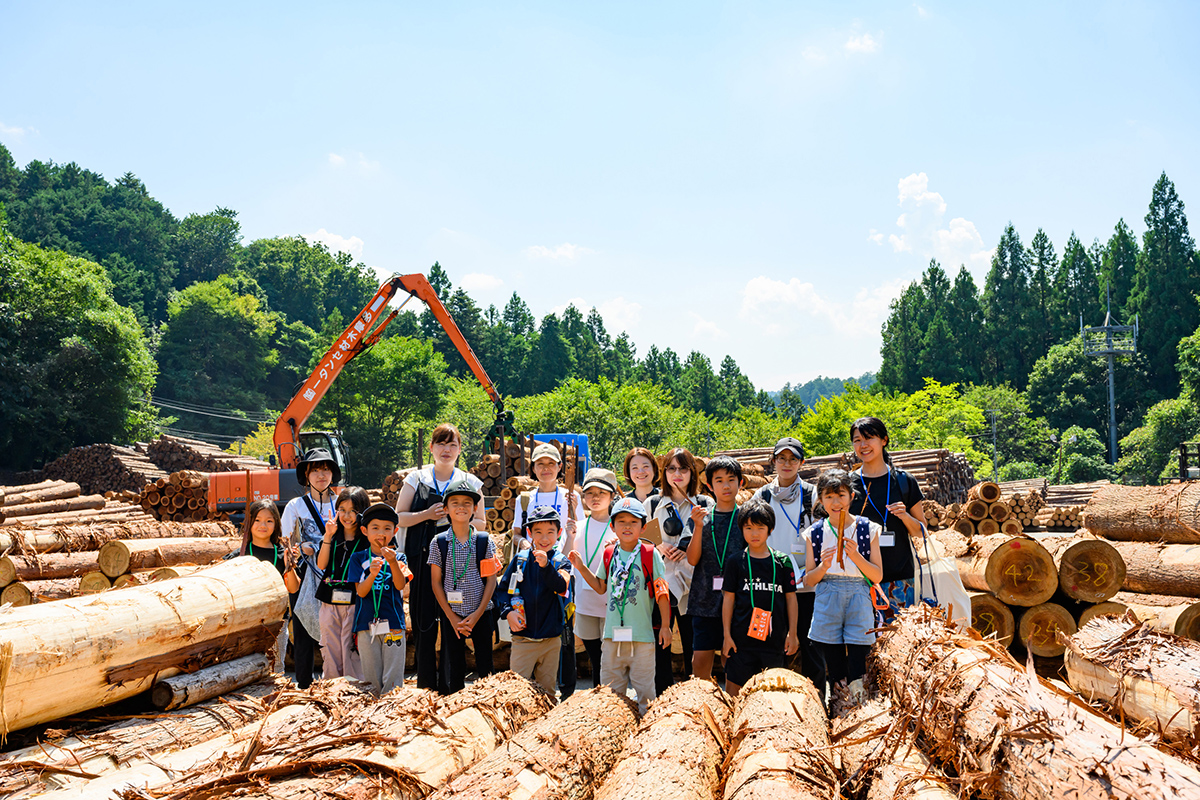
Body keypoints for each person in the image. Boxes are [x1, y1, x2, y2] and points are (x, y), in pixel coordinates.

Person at [395, 423, 487, 691]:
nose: (446, 450)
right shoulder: (417, 478)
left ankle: (451, 685)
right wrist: (426, 514)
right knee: (424, 623)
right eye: (441, 444)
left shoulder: (471, 482)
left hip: (460, 562)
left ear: (460, 450)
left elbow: (482, 522)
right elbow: (399, 517)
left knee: (452, 620)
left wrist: (459, 517)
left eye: (452, 445)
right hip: (423, 559)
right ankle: (425, 687)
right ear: (432, 448)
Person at [569, 496, 671, 714]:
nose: (627, 526)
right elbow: (600, 587)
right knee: (611, 693)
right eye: (621, 521)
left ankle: (646, 733)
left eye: (633, 522)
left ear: (643, 527)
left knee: (645, 692)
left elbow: (662, 593)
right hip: (612, 636)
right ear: (613, 526)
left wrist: (665, 626)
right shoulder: (609, 553)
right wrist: (581, 566)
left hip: (642, 637)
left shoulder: (650, 554)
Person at [803, 469, 884, 706]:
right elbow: (809, 579)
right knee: (834, 659)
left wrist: (857, 557)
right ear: (820, 500)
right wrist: (824, 566)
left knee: (859, 656)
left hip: (859, 593)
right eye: (828, 497)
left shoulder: (868, 529)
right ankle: (837, 708)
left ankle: (860, 708)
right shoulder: (815, 533)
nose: (835, 502)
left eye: (840, 495)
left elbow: (877, 575)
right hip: (827, 594)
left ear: (851, 496)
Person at [752, 438, 823, 693]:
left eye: (793, 459)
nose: (787, 464)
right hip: (770, 584)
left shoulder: (812, 494)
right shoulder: (762, 495)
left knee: (811, 646)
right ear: (773, 462)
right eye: (781, 458)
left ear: (802, 463)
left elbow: (824, 533)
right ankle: (770, 704)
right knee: (770, 645)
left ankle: (816, 704)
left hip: (807, 584)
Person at [510, 441, 580, 698]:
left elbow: (577, 531)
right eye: (541, 464)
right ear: (533, 468)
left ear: (560, 467)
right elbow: (516, 533)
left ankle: (567, 690)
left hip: (562, 567)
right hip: (533, 568)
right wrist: (526, 543)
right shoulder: (525, 498)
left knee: (564, 631)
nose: (546, 468)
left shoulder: (571, 496)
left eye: (552, 463)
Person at [848, 417, 928, 621]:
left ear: (884, 440)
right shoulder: (848, 485)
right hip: (858, 580)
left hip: (900, 581)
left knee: (898, 643)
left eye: (869, 438)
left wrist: (905, 516)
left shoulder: (903, 481)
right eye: (857, 440)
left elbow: (921, 531)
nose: (863, 445)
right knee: (862, 646)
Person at [646, 447, 709, 694]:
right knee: (660, 641)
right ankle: (662, 694)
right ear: (664, 473)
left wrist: (687, 547)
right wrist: (660, 545)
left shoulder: (705, 502)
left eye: (683, 468)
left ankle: (691, 696)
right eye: (671, 468)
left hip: (694, 584)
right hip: (660, 582)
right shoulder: (653, 502)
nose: (677, 474)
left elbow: (709, 539)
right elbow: (641, 534)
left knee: (693, 642)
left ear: (692, 473)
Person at [428, 477, 500, 693]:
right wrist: (451, 616)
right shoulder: (439, 542)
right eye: (455, 503)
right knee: (454, 666)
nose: (461, 507)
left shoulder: (484, 541)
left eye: (467, 503)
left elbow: (491, 580)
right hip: (453, 616)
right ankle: (456, 707)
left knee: (486, 665)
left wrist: (477, 614)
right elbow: (435, 582)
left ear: (475, 508)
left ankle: (487, 705)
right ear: (446, 509)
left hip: (481, 614)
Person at [721, 499, 798, 696]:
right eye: (748, 528)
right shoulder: (735, 562)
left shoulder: (783, 561)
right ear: (741, 529)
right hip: (741, 643)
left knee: (773, 694)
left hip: (774, 642)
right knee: (734, 694)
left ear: (770, 529)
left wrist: (793, 633)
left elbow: (791, 599)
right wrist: (727, 636)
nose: (754, 534)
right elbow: (728, 600)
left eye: (760, 527)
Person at [279, 447, 342, 689]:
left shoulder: (341, 503)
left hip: (334, 571)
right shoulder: (296, 505)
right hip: (305, 572)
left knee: (337, 626)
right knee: (303, 628)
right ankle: (304, 684)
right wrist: (298, 548)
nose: (321, 475)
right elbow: (286, 540)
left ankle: (337, 681)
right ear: (306, 474)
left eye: (325, 469)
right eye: (315, 470)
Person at [497, 505, 573, 695]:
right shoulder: (520, 560)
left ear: (559, 533)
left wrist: (546, 566)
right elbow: (503, 591)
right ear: (529, 533)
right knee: (517, 691)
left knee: (547, 691)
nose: (544, 538)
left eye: (550, 532)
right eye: (538, 532)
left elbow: (562, 587)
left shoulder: (561, 561)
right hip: (523, 639)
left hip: (551, 640)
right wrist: (508, 612)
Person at [686, 455, 744, 681]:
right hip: (704, 599)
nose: (726, 485)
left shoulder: (746, 518)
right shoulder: (700, 517)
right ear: (709, 486)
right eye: (719, 480)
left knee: (732, 659)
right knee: (700, 663)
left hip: (738, 600)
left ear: (740, 482)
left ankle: (733, 705)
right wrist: (698, 526)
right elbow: (692, 560)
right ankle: (706, 706)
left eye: (731, 479)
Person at [349, 503, 410, 695]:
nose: (380, 533)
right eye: (375, 528)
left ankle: (392, 712)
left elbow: (401, 586)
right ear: (365, 531)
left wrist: (392, 562)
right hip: (366, 624)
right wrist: (372, 574)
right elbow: (361, 592)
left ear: (395, 531)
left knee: (393, 679)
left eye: (387, 528)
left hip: (394, 623)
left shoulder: (399, 557)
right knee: (371, 677)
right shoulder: (358, 558)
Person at [571, 467, 620, 688]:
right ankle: (598, 692)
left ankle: (613, 695)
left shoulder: (621, 528)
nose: (596, 497)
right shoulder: (578, 526)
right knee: (593, 652)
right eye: (590, 493)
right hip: (585, 600)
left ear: (612, 496)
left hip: (612, 602)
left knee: (611, 653)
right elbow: (565, 559)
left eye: (602, 493)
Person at [316, 486, 371, 680]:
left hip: (356, 601)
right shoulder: (334, 533)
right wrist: (328, 535)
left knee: (351, 646)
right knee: (330, 645)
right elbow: (321, 564)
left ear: (362, 512)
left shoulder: (367, 539)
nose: (347, 516)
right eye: (342, 510)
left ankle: (353, 688)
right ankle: (331, 688)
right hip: (329, 599)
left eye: (352, 511)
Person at [242, 498, 300, 670]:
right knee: (246, 669)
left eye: (269, 521)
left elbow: (293, 588)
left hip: (277, 623)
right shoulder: (240, 553)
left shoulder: (282, 553)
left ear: (276, 523)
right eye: (257, 520)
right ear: (250, 522)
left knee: (275, 669)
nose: (263, 525)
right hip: (247, 623)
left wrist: (290, 564)